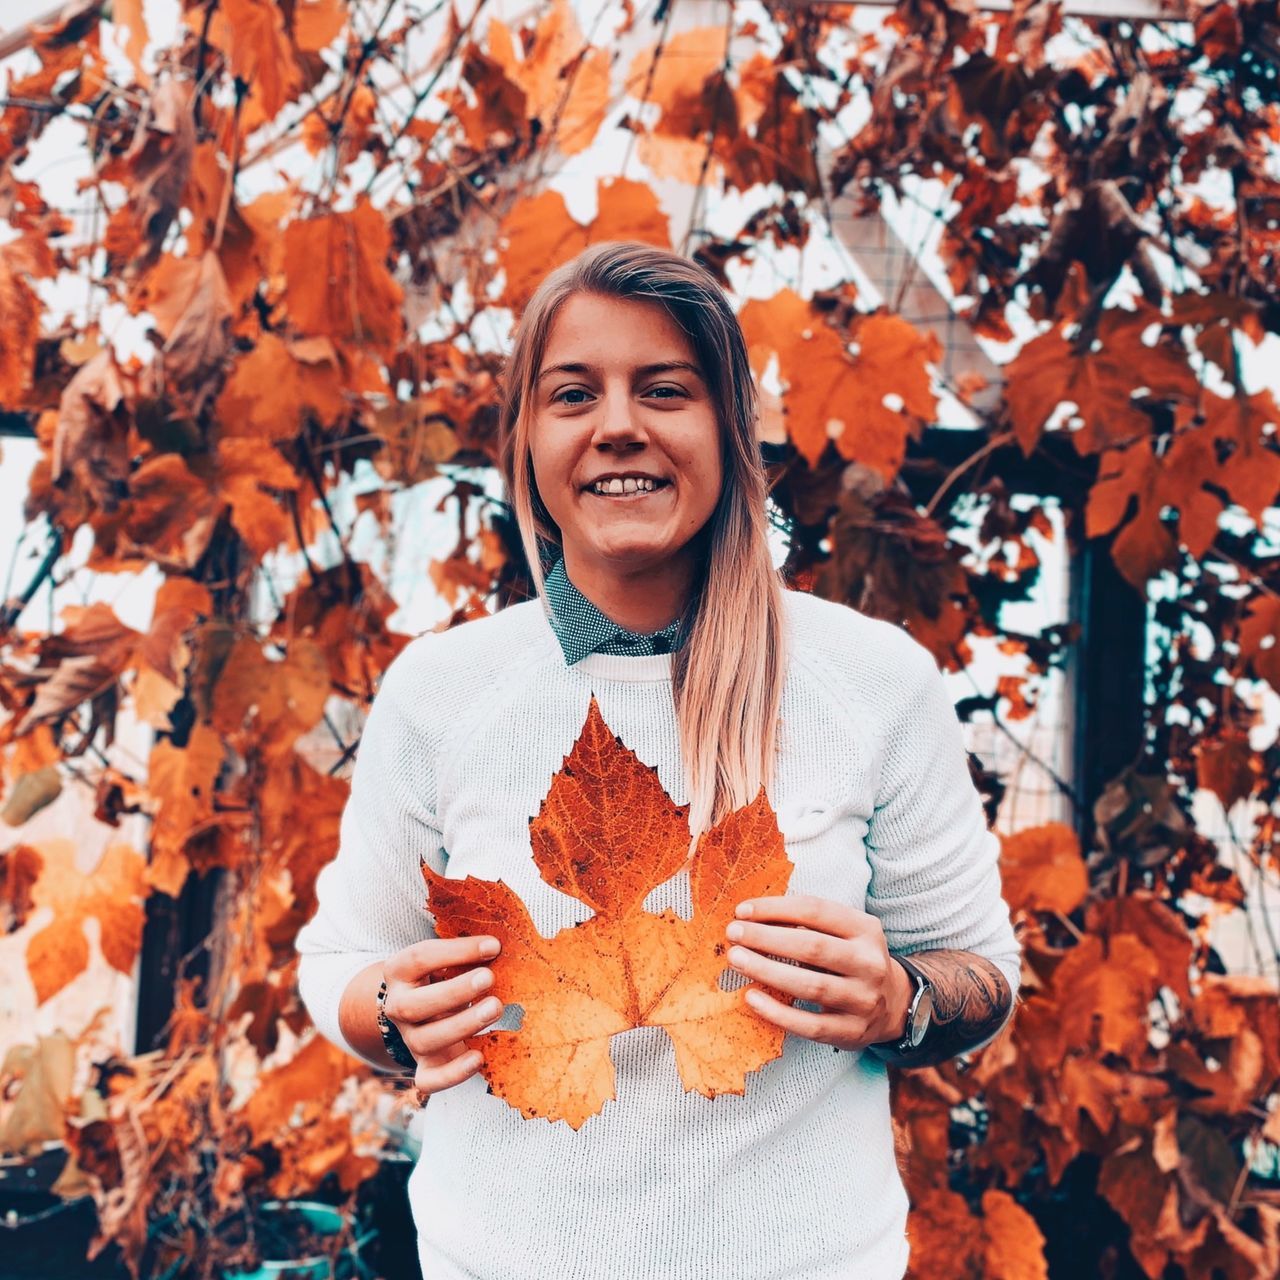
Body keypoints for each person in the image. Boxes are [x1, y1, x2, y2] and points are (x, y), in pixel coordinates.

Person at [294, 241, 1021, 1280]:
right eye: (572, 393)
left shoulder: (872, 681)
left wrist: (899, 1000)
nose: (618, 423)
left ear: (728, 429)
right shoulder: (441, 691)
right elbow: (337, 965)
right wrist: (389, 1014)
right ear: (528, 443)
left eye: (664, 388)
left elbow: (981, 972)